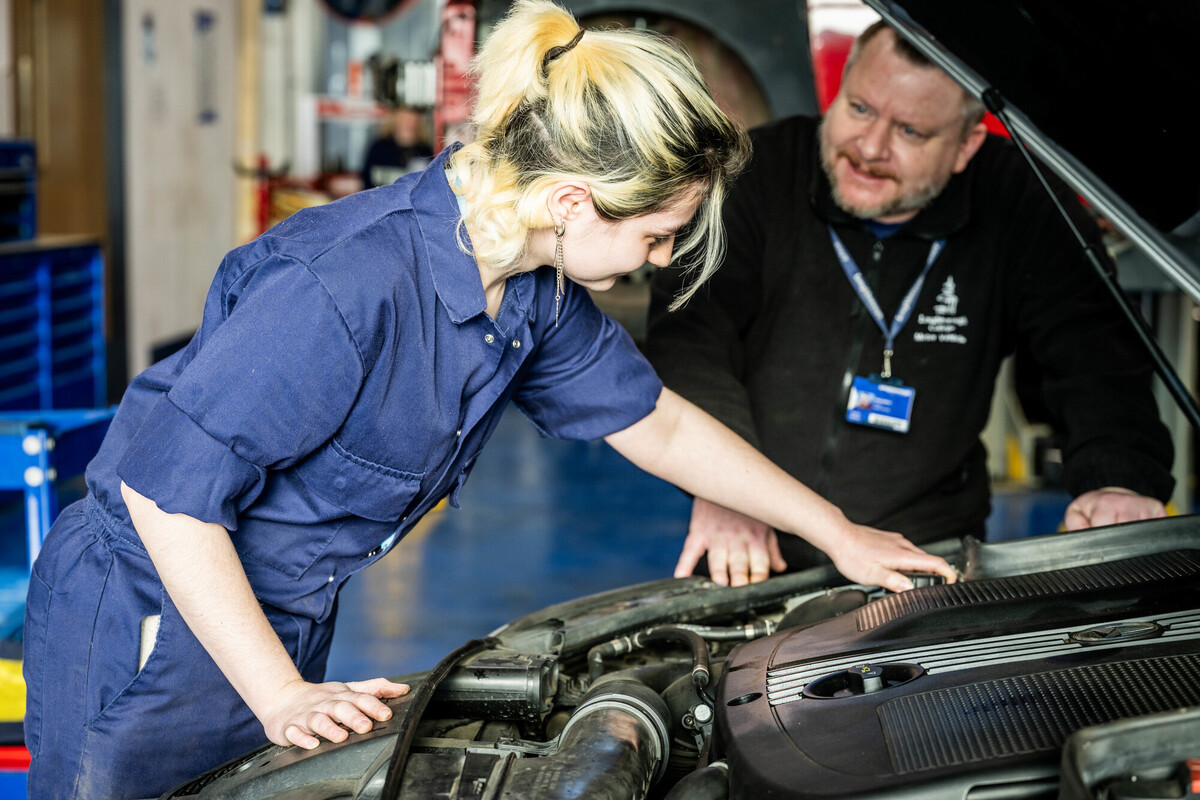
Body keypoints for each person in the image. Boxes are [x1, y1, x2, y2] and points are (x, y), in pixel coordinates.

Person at [23, 5, 957, 798]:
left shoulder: (531, 287)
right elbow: (167, 497)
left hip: (279, 612)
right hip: (154, 613)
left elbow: (657, 421)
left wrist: (838, 533)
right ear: (572, 202)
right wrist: (280, 694)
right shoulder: (346, 284)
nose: (665, 260)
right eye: (661, 234)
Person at [645, 21, 1174, 589]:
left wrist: (1117, 478)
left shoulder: (1023, 200)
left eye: (911, 132)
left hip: (927, 553)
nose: (870, 148)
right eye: (860, 109)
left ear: (966, 144)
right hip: (753, 539)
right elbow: (691, 342)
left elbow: (1094, 352)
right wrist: (725, 486)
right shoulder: (758, 175)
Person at [360, 104, 435, 189]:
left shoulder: (426, 152)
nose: (409, 120)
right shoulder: (379, 149)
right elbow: (367, 183)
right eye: (405, 115)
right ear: (395, 117)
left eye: (413, 114)